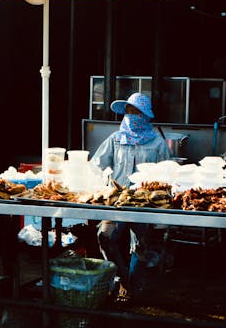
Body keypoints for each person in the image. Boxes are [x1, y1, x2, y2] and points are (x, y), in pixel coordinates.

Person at [90, 92, 170, 303]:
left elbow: (167, 176)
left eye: (135, 112)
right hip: (117, 202)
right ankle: (124, 281)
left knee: (142, 245)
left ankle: (131, 285)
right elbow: (95, 165)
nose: (130, 116)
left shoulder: (157, 143)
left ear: (145, 116)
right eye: (128, 111)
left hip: (144, 203)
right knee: (105, 237)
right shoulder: (115, 139)